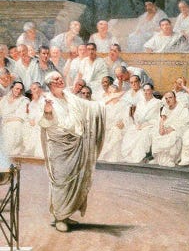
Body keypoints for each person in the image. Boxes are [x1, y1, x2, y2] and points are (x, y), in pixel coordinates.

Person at [39, 71, 105, 232]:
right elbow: (46, 123)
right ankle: (59, 217)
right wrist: (47, 111)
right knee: (61, 181)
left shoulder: (70, 97)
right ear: (50, 84)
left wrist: (104, 104)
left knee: (73, 180)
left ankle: (65, 213)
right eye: (56, 79)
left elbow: (89, 107)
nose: (60, 80)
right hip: (59, 146)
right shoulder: (46, 100)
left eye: (60, 78)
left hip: (75, 144)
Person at [119, 83, 161, 163]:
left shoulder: (157, 102)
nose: (146, 92)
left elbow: (156, 117)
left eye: (148, 90)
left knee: (143, 134)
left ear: (152, 90)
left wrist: (145, 125)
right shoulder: (140, 102)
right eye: (144, 90)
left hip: (151, 125)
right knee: (131, 131)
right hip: (139, 124)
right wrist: (138, 123)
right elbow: (136, 115)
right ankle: (128, 155)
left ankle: (137, 157)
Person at [149, 91, 189, 167]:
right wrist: (161, 128)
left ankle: (170, 159)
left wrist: (172, 128)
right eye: (166, 98)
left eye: (170, 98)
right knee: (156, 133)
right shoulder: (165, 107)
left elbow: (184, 121)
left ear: (175, 98)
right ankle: (158, 158)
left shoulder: (182, 107)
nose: (168, 100)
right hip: (166, 127)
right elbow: (162, 119)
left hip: (179, 128)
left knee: (173, 135)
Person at [97, 83, 130, 162]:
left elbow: (126, 118)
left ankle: (114, 157)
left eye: (114, 92)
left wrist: (123, 123)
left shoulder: (124, 104)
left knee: (116, 131)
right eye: (110, 92)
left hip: (118, 126)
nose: (112, 94)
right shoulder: (105, 104)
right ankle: (102, 156)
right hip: (107, 126)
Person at [0, 81, 29, 156]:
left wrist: (8, 120)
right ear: (12, 88)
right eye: (17, 89)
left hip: (17, 122)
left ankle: (11, 152)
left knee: (14, 125)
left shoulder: (24, 100)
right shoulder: (4, 99)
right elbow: (2, 113)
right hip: (4, 122)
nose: (19, 91)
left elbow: (22, 116)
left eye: (21, 89)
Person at [23, 81, 45, 158]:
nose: (33, 92)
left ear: (40, 89)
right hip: (33, 122)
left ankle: (37, 151)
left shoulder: (44, 99)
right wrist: (31, 119)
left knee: (37, 128)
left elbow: (43, 113)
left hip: (42, 121)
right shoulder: (32, 103)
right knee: (26, 126)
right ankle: (28, 149)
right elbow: (30, 114)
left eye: (34, 89)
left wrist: (35, 121)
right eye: (32, 90)